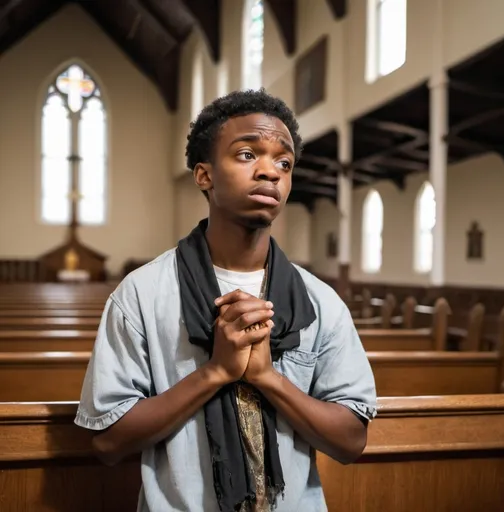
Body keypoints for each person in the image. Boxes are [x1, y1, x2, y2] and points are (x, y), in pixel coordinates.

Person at [75, 89, 377, 512]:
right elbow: (108, 441)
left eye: (284, 162)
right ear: (204, 175)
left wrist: (269, 378)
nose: (270, 172)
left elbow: (351, 441)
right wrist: (215, 372)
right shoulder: (142, 294)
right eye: (248, 155)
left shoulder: (320, 302)